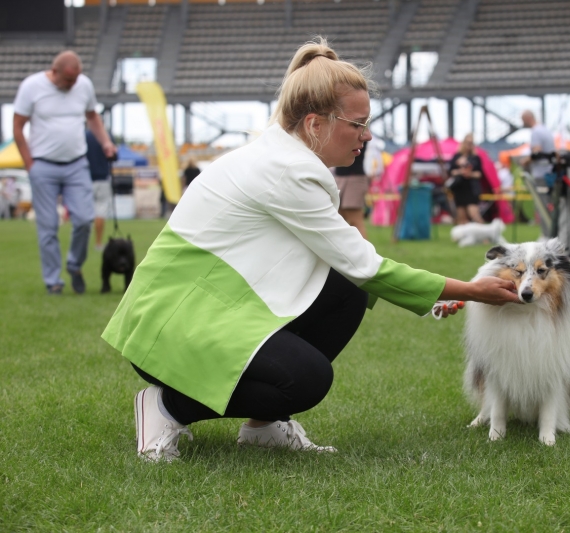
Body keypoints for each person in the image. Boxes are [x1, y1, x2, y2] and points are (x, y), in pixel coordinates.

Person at [102, 38, 520, 462]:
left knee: (347, 289)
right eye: (357, 124)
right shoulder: (290, 171)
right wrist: (472, 290)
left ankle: (264, 427)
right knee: (305, 381)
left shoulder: (285, 156)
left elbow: (350, 265)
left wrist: (435, 299)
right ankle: (166, 406)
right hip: (170, 328)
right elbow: (365, 265)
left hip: (199, 310)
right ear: (315, 124)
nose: (368, 134)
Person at [13, 51, 116, 294]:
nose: (73, 85)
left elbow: (92, 117)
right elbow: (18, 126)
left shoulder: (83, 85)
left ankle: (74, 265)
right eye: (68, 80)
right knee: (48, 226)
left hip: (76, 164)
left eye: (76, 79)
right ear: (54, 72)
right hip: (43, 166)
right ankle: (53, 281)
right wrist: (30, 164)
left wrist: (106, 142)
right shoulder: (32, 87)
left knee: (83, 220)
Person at [333, 140, 374, 239]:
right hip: (339, 177)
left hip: (355, 178)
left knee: (355, 220)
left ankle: (366, 254)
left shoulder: (360, 132)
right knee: (337, 219)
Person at [447, 133, 485, 225]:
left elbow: (480, 174)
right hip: (459, 189)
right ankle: (466, 238)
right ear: (463, 143)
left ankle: (485, 236)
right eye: (468, 142)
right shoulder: (457, 157)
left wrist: (470, 174)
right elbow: (450, 172)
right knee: (462, 218)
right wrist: (461, 172)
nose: (469, 145)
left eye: (471, 143)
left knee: (474, 214)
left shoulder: (476, 158)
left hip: (471, 189)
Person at [85, 129, 113, 251]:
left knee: (85, 213)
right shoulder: (107, 135)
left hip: (86, 178)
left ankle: (83, 243)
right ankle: (98, 242)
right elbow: (113, 155)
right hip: (102, 178)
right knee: (100, 211)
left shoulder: (84, 135)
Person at [521, 110, 555, 180]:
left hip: (541, 173)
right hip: (549, 171)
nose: (523, 123)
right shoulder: (544, 129)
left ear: (528, 118)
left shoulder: (535, 131)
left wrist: (525, 161)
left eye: (523, 120)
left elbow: (536, 153)